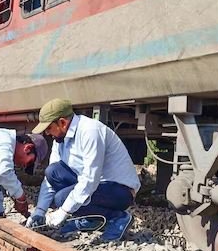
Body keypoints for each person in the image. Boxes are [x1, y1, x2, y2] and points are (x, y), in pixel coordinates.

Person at [26, 98, 141, 242]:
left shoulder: (90, 131)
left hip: (119, 190)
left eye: (49, 128)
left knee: (62, 199)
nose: (48, 133)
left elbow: (90, 179)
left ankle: (118, 218)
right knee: (52, 171)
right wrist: (39, 211)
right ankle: (92, 218)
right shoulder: (60, 139)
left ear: (62, 122)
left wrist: (64, 211)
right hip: (97, 187)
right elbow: (50, 180)